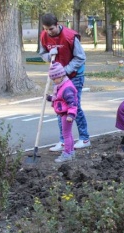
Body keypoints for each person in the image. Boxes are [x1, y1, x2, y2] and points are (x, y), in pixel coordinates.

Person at [39, 13, 90, 151]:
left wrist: (65, 71)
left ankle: (84, 138)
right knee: (59, 106)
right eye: (45, 29)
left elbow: (80, 58)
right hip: (59, 78)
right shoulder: (44, 36)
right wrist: (49, 55)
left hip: (74, 75)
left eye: (51, 29)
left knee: (75, 106)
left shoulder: (69, 36)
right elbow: (42, 54)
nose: (48, 32)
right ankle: (63, 141)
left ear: (57, 24)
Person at [46, 62, 77, 162]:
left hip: (67, 115)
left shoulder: (67, 88)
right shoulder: (61, 85)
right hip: (64, 113)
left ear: (61, 75)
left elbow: (72, 103)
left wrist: (71, 114)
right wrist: (50, 98)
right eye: (53, 79)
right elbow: (59, 98)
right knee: (68, 134)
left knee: (66, 134)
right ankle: (71, 152)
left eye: (55, 78)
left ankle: (67, 153)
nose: (54, 81)